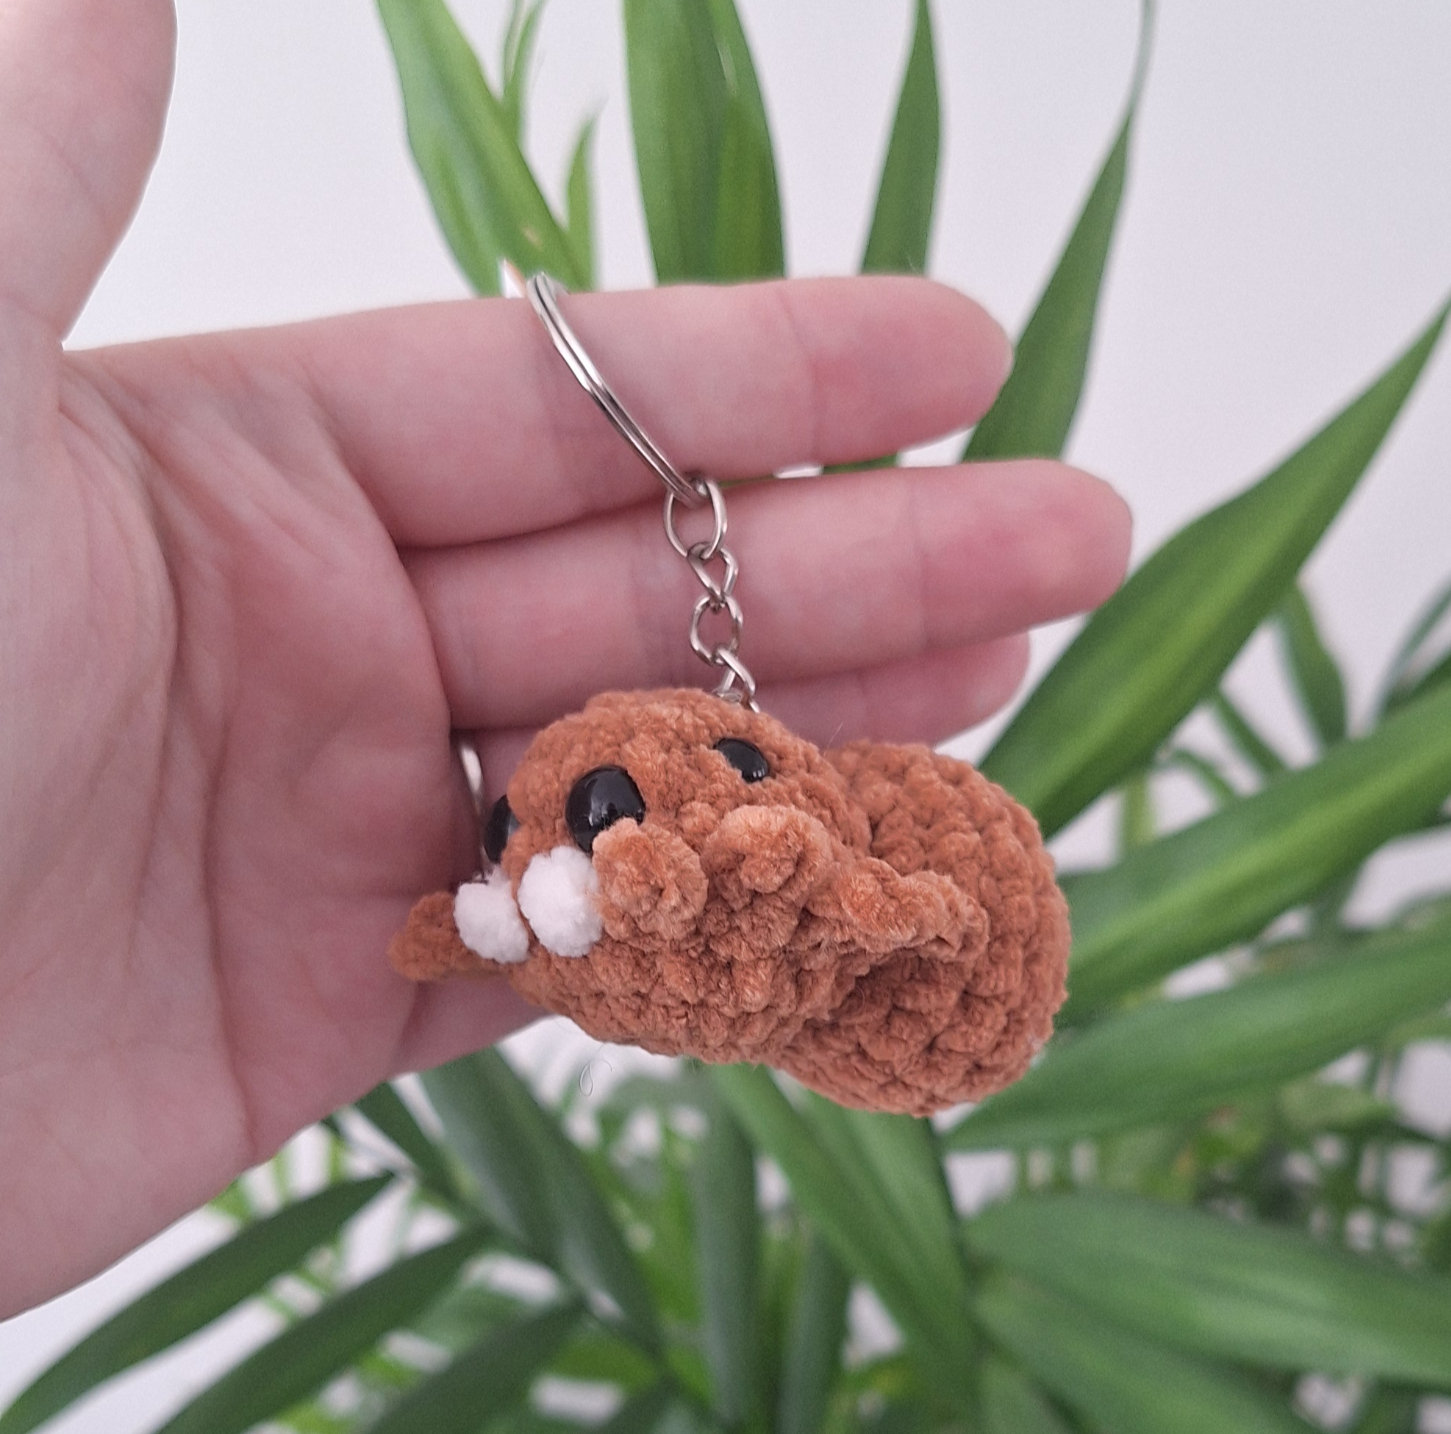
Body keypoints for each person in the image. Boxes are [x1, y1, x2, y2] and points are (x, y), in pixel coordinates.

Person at [0, 0, 1131, 1320]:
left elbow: (881, 909)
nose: (522, 839)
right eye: (509, 830)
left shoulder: (762, 864)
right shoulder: (610, 903)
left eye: (557, 819)